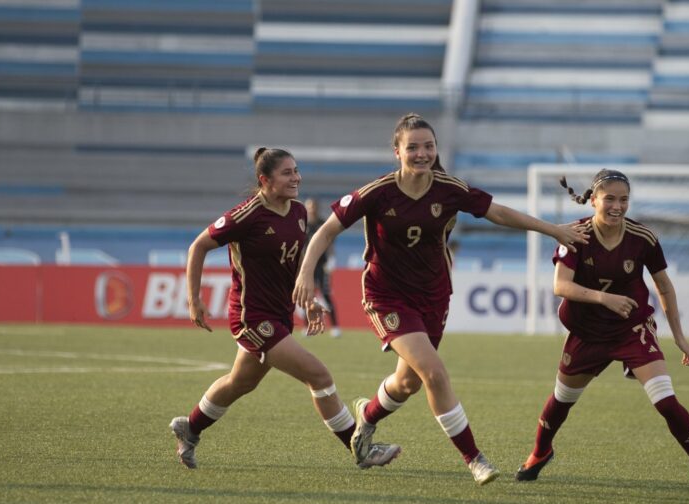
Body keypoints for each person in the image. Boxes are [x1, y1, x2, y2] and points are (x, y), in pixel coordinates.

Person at [292, 113, 589, 485]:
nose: (422, 153)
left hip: (433, 296)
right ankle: (474, 458)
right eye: (413, 147)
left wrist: (552, 230)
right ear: (397, 151)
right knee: (433, 372)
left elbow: (497, 212)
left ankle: (366, 417)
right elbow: (327, 230)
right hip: (386, 296)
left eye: (428, 146)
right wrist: (305, 274)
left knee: (408, 383)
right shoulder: (377, 191)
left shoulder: (449, 188)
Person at [169, 148, 401, 470]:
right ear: (265, 180)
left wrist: (308, 300)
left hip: (280, 314)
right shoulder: (245, 215)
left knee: (241, 382)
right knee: (318, 376)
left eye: (296, 171)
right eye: (287, 173)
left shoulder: (298, 213)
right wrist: (194, 299)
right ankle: (360, 448)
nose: (296, 178)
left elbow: (290, 267)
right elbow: (199, 246)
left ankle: (189, 428)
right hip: (253, 318)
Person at [514, 169, 689, 489]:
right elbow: (561, 286)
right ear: (593, 201)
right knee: (562, 401)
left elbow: (664, 288)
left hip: (633, 329)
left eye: (624, 199)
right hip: (587, 333)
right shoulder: (575, 235)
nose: (617, 206)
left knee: (666, 400)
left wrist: (680, 338)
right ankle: (540, 452)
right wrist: (604, 299)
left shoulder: (643, 238)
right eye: (610, 199)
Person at [304, 198, 341, 338]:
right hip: (308, 266)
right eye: (309, 206)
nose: (311, 209)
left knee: (326, 295)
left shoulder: (322, 224)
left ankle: (335, 327)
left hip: (322, 265)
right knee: (307, 297)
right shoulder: (303, 225)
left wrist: (331, 259)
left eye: (313, 206)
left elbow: (330, 243)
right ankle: (308, 326)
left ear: (317, 208)